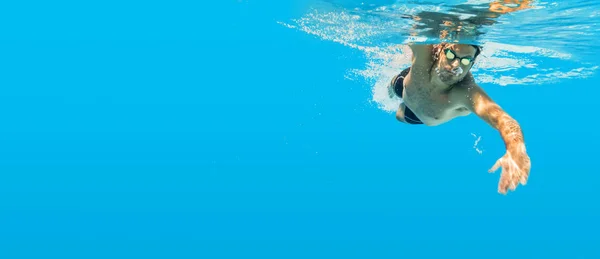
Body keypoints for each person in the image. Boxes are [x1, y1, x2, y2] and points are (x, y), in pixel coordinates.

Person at [388, 43, 531, 195]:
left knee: (399, 116)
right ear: (439, 50)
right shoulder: (425, 52)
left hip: (418, 115)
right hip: (405, 84)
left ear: (472, 64)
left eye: (465, 61)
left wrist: (516, 150)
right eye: (451, 56)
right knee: (391, 87)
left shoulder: (465, 93)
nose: (456, 65)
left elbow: (503, 120)